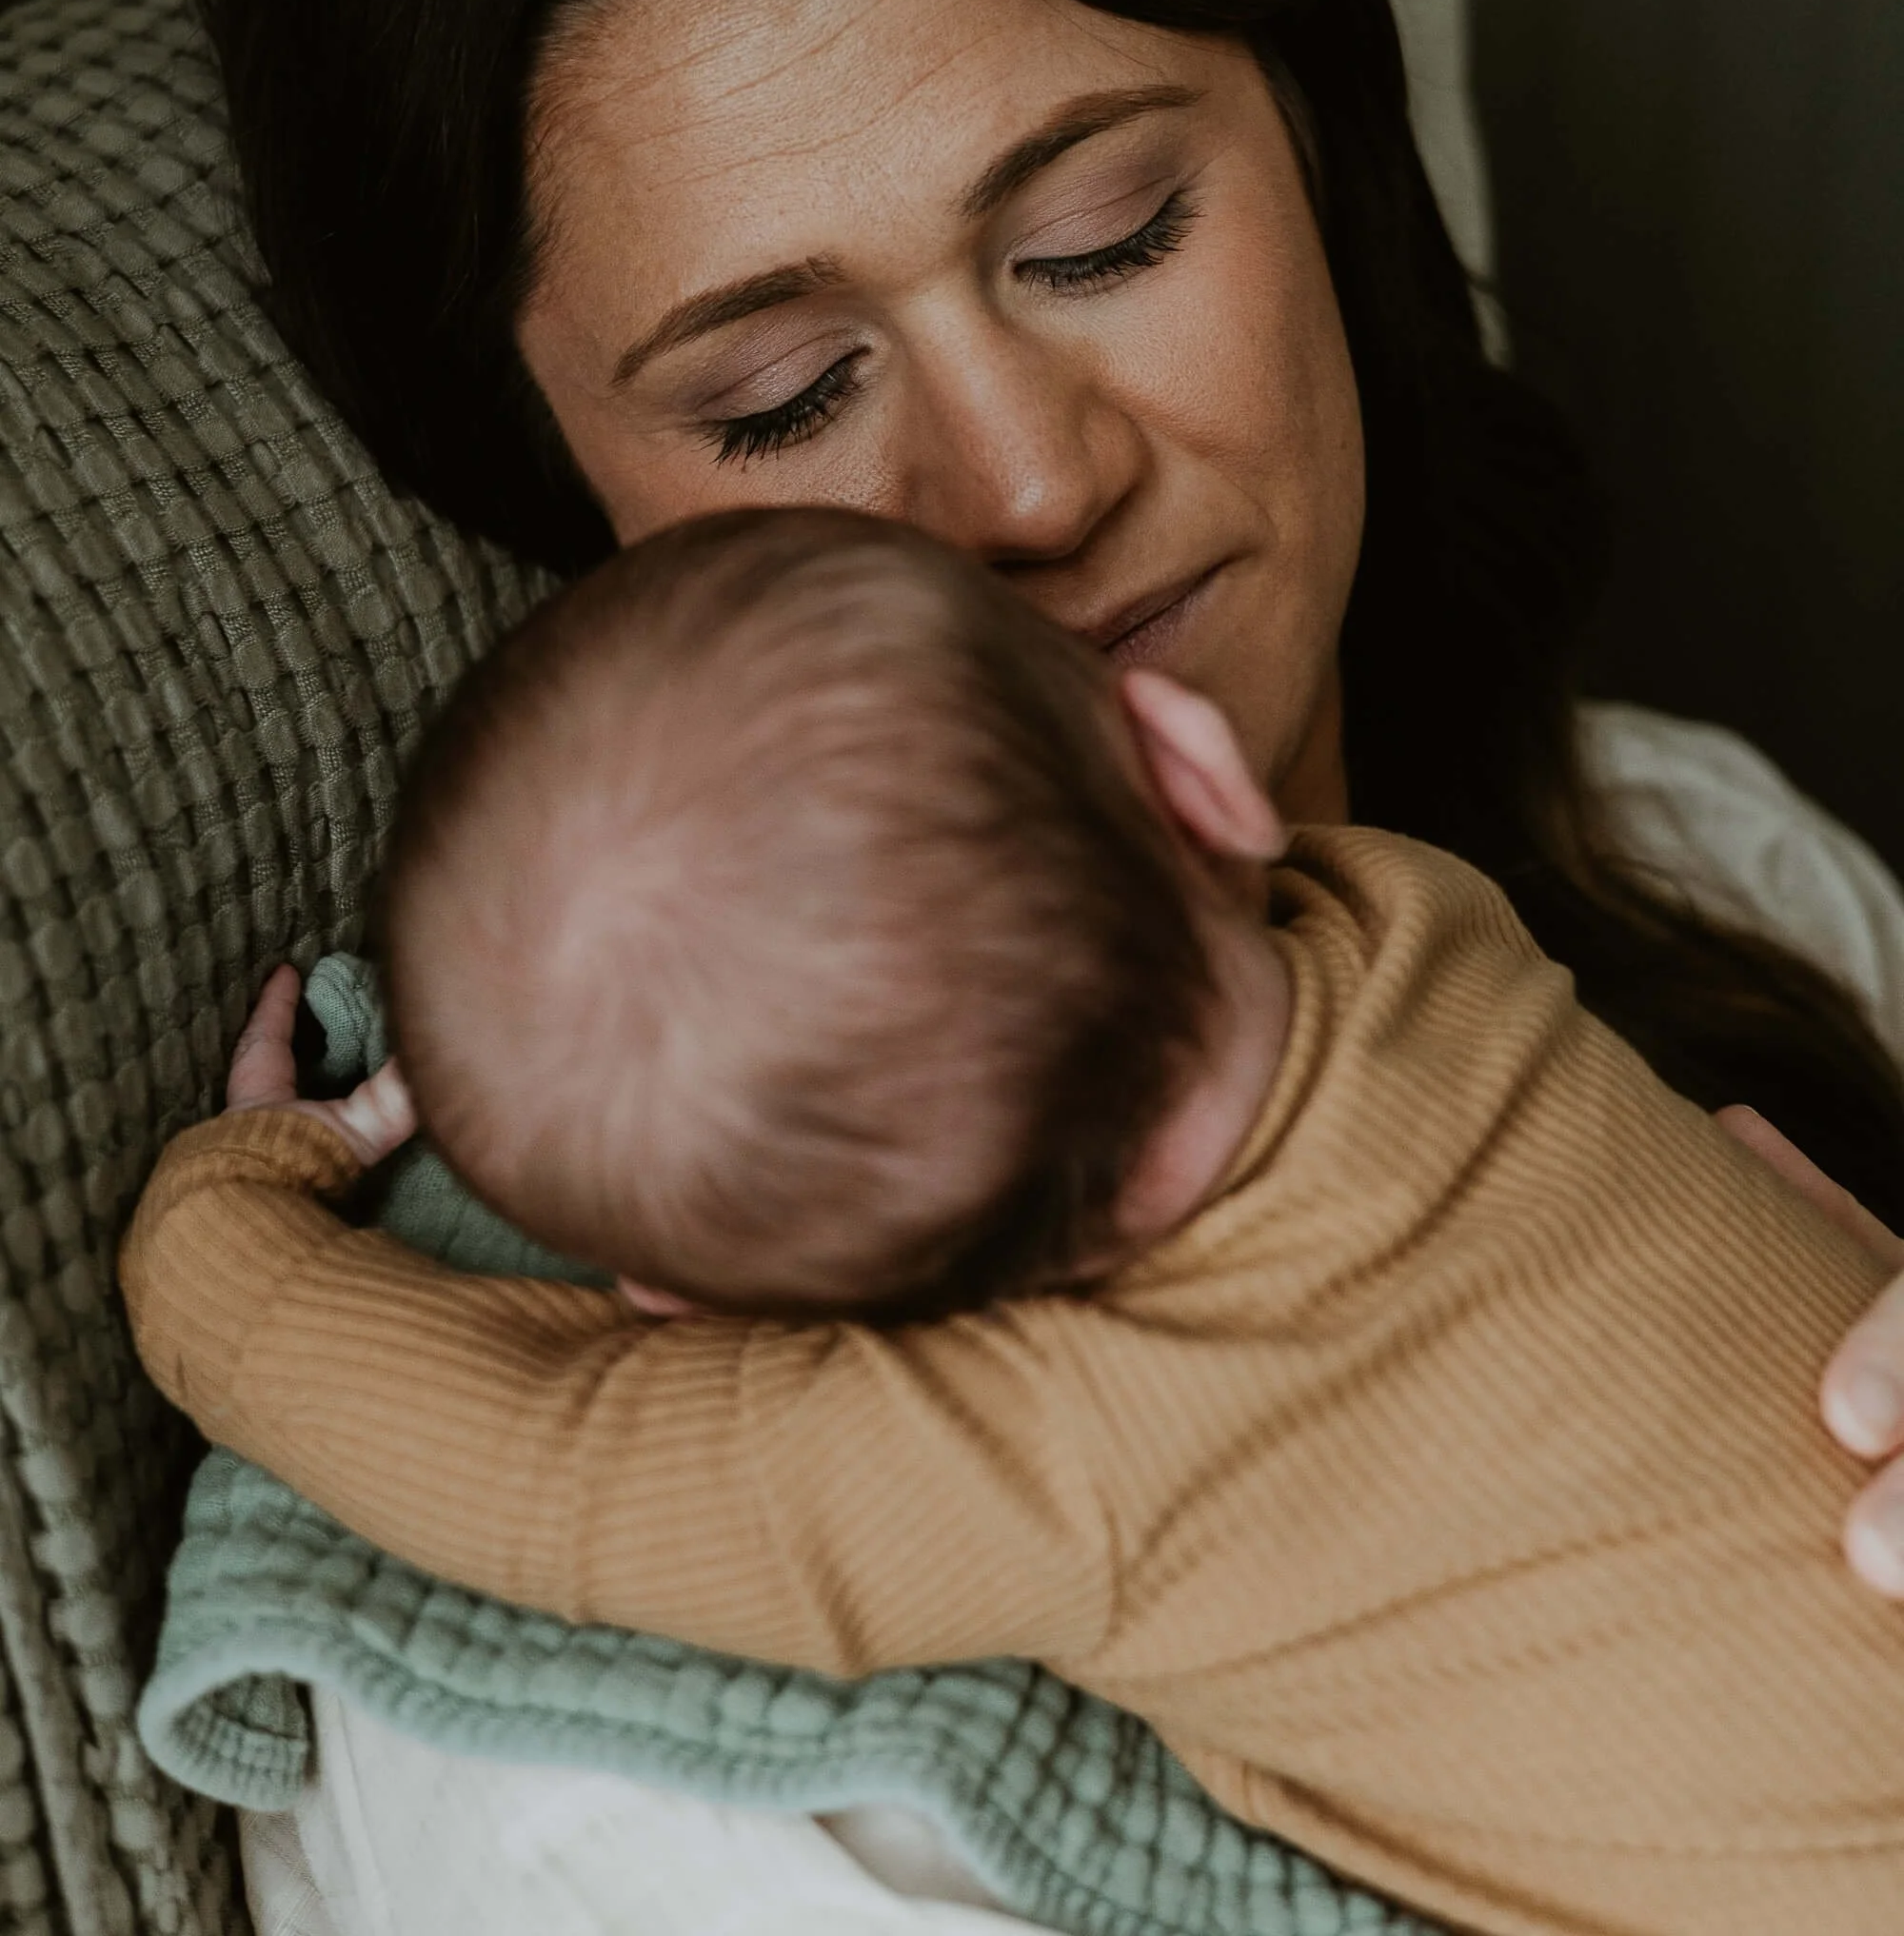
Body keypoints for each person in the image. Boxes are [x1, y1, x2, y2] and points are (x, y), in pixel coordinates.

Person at [188, 0, 1904, 1641]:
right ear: (552, 501)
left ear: (1314, 145)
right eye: (783, 398)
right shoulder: (668, 1588)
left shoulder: (1713, 862)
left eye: (1103, 236)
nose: (1026, 482)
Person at [122, 505, 1904, 1936]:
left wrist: (224, 1219)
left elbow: (541, 1455)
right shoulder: (1420, 919)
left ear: (683, 1303)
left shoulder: (1040, 1456)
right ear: (1199, 776)